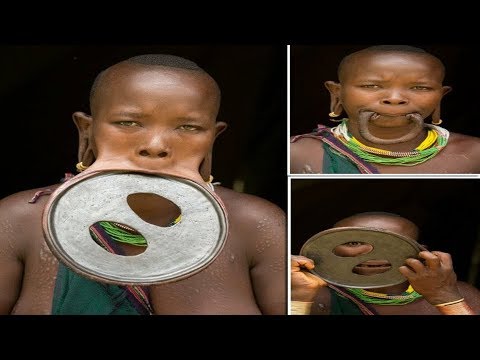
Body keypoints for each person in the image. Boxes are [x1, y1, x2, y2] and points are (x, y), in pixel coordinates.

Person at [0, 54, 287, 315]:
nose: (155, 146)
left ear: (213, 138)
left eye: (188, 127)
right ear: (87, 130)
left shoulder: (255, 226)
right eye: (128, 123)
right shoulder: (20, 220)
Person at [290, 45, 480, 174]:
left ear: (441, 96)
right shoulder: (297, 154)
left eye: (419, 87)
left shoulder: (474, 154)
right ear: (337, 92)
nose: (395, 99)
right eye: (371, 86)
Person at [291, 212, 480, 315]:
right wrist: (299, 297)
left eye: (390, 244)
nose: (371, 255)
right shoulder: (318, 295)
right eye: (354, 243)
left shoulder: (462, 294)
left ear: (421, 251)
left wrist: (444, 296)